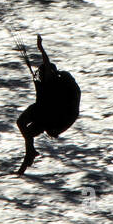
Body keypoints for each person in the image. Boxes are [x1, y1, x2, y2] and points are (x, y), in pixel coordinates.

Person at [16, 35, 80, 176]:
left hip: (44, 114)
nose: (41, 74)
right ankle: (29, 156)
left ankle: (28, 157)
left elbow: (46, 62)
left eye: (43, 72)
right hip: (44, 113)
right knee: (28, 133)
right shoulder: (46, 81)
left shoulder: (51, 80)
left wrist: (41, 48)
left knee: (22, 124)